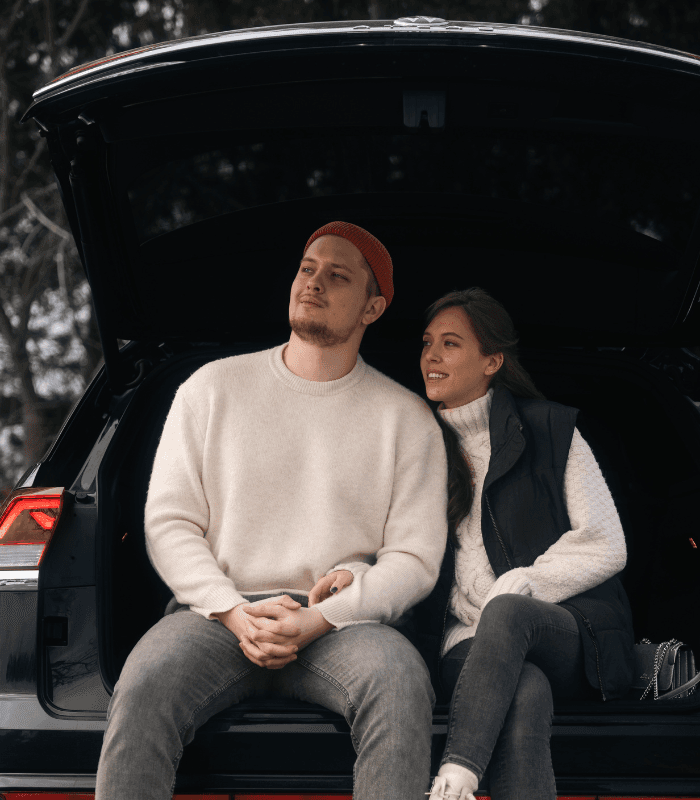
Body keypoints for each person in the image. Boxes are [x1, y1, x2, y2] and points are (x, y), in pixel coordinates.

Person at [94, 221, 449, 800]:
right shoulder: (211, 388)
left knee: (400, 679)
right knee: (145, 681)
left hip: (341, 625)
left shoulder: (405, 417)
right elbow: (168, 521)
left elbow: (413, 559)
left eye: (338, 276)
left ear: (373, 306)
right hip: (216, 619)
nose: (313, 283)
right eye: (307, 268)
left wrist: (322, 618)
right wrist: (232, 609)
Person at [333, 286, 635, 800]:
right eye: (427, 342)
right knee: (525, 692)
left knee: (509, 612)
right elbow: (384, 545)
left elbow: (607, 542)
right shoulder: (414, 443)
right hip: (464, 644)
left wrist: (522, 584)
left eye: (450, 344)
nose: (431, 355)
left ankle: (456, 776)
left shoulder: (550, 429)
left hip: (561, 627)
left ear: (492, 360)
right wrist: (355, 573)